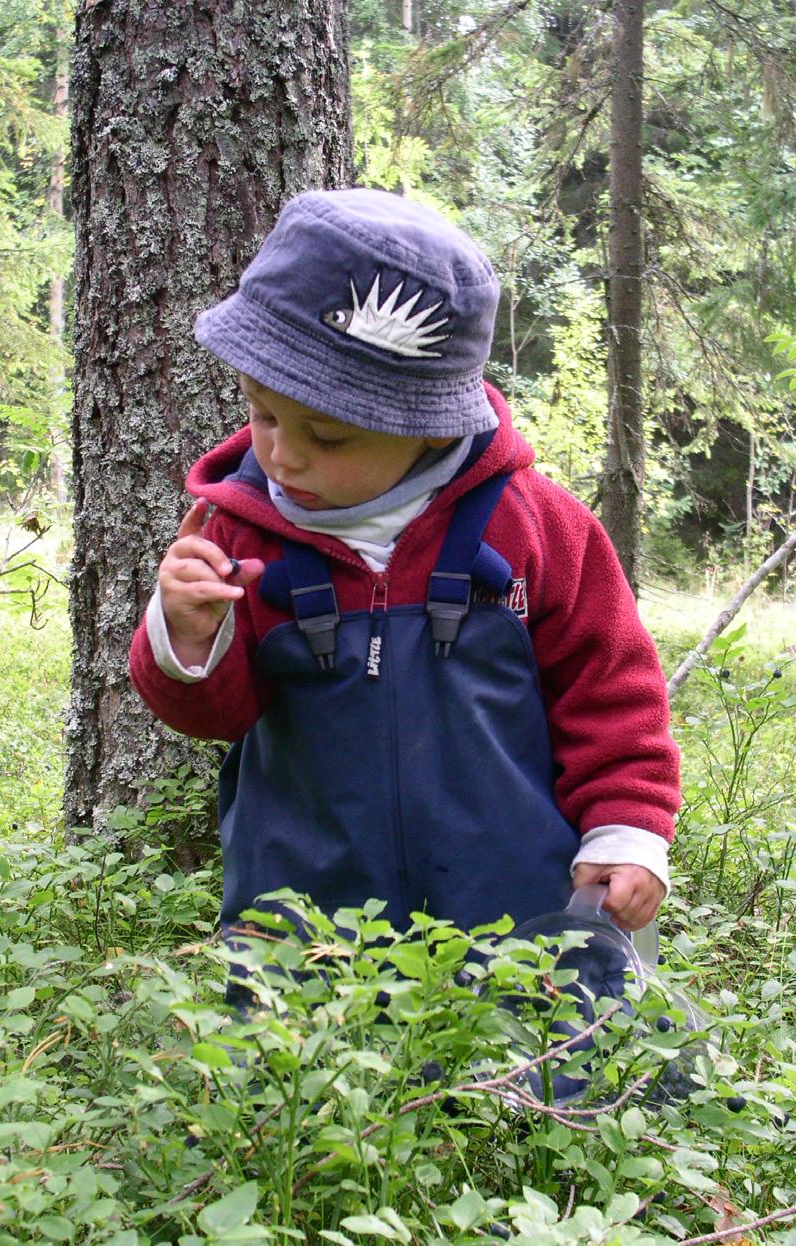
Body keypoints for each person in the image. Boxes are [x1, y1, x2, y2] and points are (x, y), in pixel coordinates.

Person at [129, 188, 679, 940]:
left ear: (426, 429)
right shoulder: (239, 540)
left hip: (514, 925)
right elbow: (216, 716)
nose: (283, 454)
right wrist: (187, 637)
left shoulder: (540, 530)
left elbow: (611, 693)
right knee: (295, 1060)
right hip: (299, 932)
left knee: (523, 1058)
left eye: (326, 436)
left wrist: (626, 830)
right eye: (262, 414)